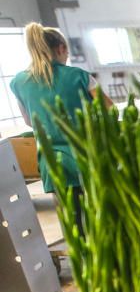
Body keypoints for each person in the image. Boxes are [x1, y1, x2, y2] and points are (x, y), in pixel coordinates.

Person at [11, 23, 111, 232]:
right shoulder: (78, 76)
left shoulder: (19, 82)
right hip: (88, 158)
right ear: (62, 48)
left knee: (75, 228)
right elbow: (109, 109)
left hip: (53, 164)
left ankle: (84, 264)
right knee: (103, 225)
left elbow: (30, 121)